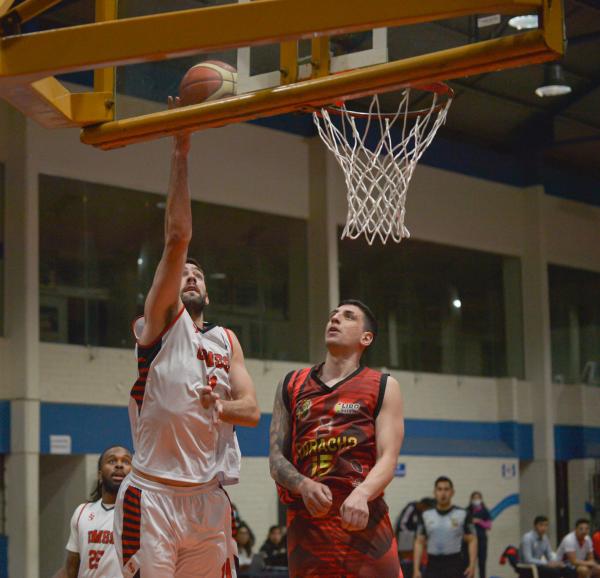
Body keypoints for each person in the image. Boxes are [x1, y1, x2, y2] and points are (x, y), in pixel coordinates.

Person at [114, 99, 260, 578]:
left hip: (208, 498)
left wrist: (221, 405)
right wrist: (181, 151)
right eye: (184, 274)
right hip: (153, 494)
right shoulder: (158, 325)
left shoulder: (226, 340)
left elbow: (252, 411)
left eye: (198, 274)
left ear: (209, 293)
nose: (190, 276)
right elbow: (177, 238)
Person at [269, 299, 404, 577]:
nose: (335, 319)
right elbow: (276, 459)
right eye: (333, 315)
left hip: (363, 519)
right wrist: (303, 485)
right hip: (308, 528)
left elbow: (388, 458)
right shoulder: (291, 384)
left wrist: (363, 493)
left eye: (348, 316)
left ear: (366, 338)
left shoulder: (383, 386)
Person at [63, 445, 132, 578]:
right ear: (99, 474)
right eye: (112, 461)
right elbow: (71, 567)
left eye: (126, 461)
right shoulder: (82, 512)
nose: (119, 465)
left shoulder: (143, 514)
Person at [413, 476, 477, 578]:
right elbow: (419, 542)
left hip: (454, 564)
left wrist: (472, 565)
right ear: (434, 492)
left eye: (446, 489)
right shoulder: (425, 515)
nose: (443, 493)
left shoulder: (463, 514)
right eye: (439, 489)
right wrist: (416, 570)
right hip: (432, 565)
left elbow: (472, 539)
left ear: (452, 492)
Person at [466, 491, 492, 578]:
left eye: (478, 498)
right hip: (469, 540)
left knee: (482, 563)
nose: (476, 500)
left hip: (481, 540)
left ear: (481, 499)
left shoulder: (485, 511)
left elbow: (489, 526)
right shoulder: (467, 510)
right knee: (469, 563)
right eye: (474, 498)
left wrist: (479, 521)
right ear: (471, 499)